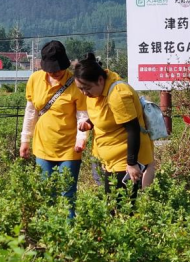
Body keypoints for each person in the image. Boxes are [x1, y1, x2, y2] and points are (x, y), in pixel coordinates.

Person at [20, 41, 88, 218]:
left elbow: (82, 116)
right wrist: (25, 140)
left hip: (69, 148)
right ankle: (46, 230)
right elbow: (31, 112)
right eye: (51, 70)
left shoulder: (75, 83)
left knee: (68, 194)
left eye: (59, 69)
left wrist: (81, 140)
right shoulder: (35, 80)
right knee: (45, 193)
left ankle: (68, 230)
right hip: (43, 146)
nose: (55, 73)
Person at [74, 53, 154, 201]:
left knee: (120, 207)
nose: (84, 93)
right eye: (80, 89)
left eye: (87, 88)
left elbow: (133, 129)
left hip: (124, 160)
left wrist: (131, 163)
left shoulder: (118, 95)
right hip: (110, 159)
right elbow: (105, 115)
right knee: (112, 205)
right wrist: (89, 123)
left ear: (100, 80)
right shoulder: (96, 93)